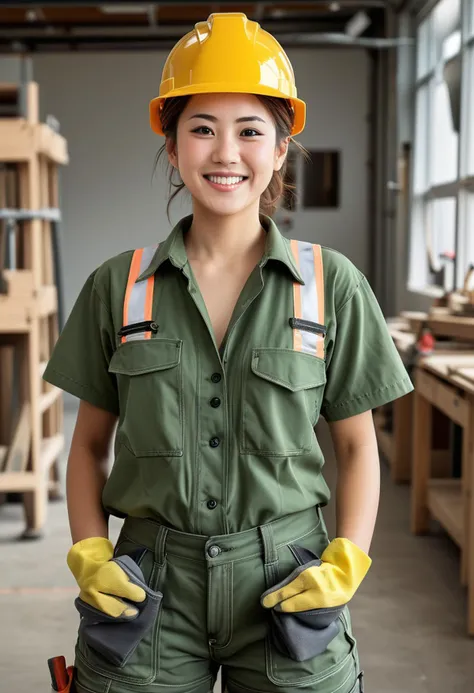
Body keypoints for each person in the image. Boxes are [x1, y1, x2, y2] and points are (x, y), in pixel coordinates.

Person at [44, 12, 413, 693]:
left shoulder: (330, 286)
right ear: (173, 142)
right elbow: (88, 445)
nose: (225, 152)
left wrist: (345, 562)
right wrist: (91, 552)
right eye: (202, 128)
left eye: (250, 130)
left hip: (288, 579)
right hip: (150, 582)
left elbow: (360, 449)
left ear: (280, 148)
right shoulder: (117, 289)